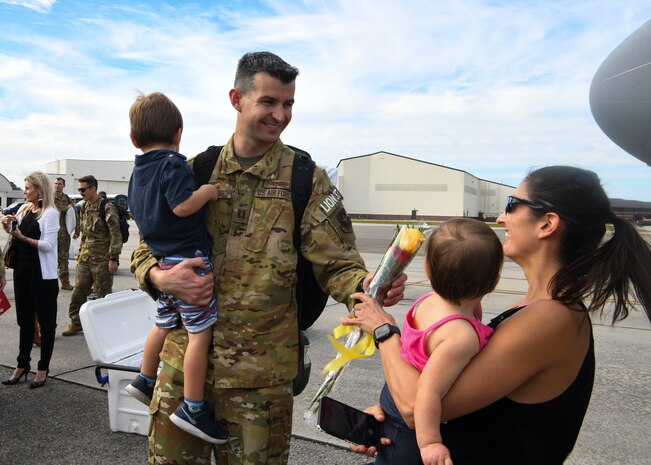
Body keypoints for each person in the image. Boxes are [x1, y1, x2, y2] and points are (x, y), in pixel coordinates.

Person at [130, 51, 406, 465]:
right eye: (269, 102)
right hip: (182, 374)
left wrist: (368, 287)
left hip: (260, 384)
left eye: (289, 104)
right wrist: (158, 277)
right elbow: (146, 245)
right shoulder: (193, 171)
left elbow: (339, 264)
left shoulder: (304, 178)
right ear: (236, 99)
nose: (280, 114)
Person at [344, 166, 651, 465]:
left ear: (547, 223)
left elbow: (415, 407)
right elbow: (442, 399)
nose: (502, 217)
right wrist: (388, 415)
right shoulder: (535, 308)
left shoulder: (552, 319)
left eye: (511, 205)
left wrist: (384, 332)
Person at [125, 91, 226, 444]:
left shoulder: (137, 174)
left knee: (163, 324)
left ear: (134, 139)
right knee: (200, 333)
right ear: (178, 133)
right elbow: (183, 205)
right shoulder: (172, 165)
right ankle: (193, 408)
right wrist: (209, 192)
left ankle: (144, 379)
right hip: (189, 259)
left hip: (163, 259)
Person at [361, 218, 502, 465]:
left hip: (392, 404)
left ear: (427, 270)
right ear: (495, 281)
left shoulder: (429, 302)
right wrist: (430, 442)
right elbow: (428, 390)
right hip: (411, 437)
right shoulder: (460, 335)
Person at [1, 172, 59, 389]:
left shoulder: (50, 213)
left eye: (27, 188)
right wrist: (6, 223)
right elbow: (12, 230)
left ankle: (43, 367)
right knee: (24, 321)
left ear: (39, 190)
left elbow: (48, 245)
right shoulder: (25, 208)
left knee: (46, 323)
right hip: (22, 270)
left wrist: (23, 238)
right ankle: (22, 365)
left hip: (42, 274)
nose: (24, 192)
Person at [62, 175, 123, 336]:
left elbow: (116, 234)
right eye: (79, 190)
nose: (80, 192)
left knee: (104, 294)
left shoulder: (107, 207)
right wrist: (81, 246)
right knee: (79, 291)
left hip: (102, 260)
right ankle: (76, 323)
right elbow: (85, 231)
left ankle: (105, 327)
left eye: (83, 189)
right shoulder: (84, 207)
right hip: (86, 258)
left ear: (93, 188)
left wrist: (113, 258)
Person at [53, 177, 79, 290]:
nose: (57, 185)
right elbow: (54, 210)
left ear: (64, 185)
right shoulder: (49, 197)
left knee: (63, 259)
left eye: (59, 184)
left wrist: (77, 230)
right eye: (55, 183)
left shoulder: (66, 198)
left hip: (63, 234)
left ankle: (65, 282)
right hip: (51, 233)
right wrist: (65, 208)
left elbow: (74, 213)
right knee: (48, 259)